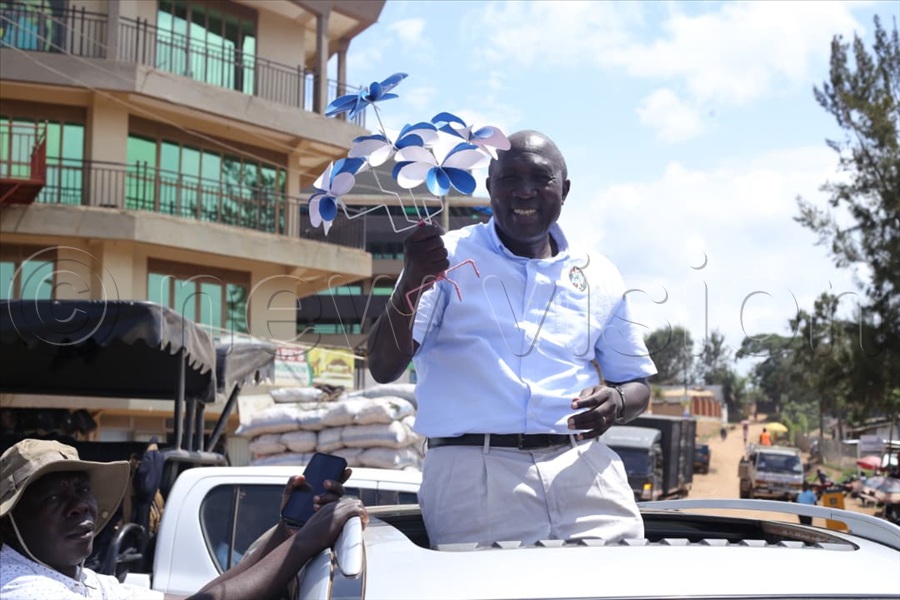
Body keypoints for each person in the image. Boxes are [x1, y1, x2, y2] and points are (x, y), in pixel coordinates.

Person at [367, 130, 657, 547]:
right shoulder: (443, 258)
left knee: (622, 587)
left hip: (583, 469)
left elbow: (637, 385)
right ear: (489, 188)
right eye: (508, 179)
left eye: (540, 178)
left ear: (565, 189)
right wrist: (412, 279)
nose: (524, 192)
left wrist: (617, 402)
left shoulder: (599, 273)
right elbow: (382, 365)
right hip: (474, 473)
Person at [0, 439, 367, 600]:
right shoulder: (23, 589)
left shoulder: (79, 580)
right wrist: (303, 544)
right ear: (10, 523)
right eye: (52, 496)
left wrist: (289, 531)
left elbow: (204, 597)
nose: (80, 506)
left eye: (81, 490)